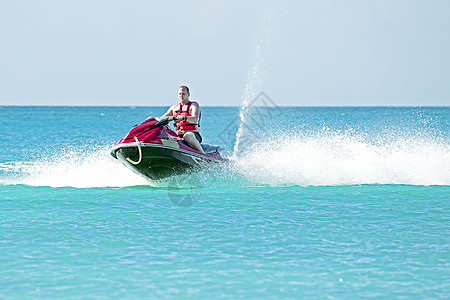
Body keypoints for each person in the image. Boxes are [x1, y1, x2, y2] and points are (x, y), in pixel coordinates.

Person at [161, 85, 206, 154]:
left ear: (188, 94)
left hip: (193, 135)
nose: (181, 95)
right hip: (179, 135)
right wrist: (152, 120)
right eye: (180, 94)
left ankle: (203, 155)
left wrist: (184, 117)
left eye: (183, 94)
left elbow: (195, 119)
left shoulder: (193, 105)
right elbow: (162, 119)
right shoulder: (174, 108)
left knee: (187, 136)